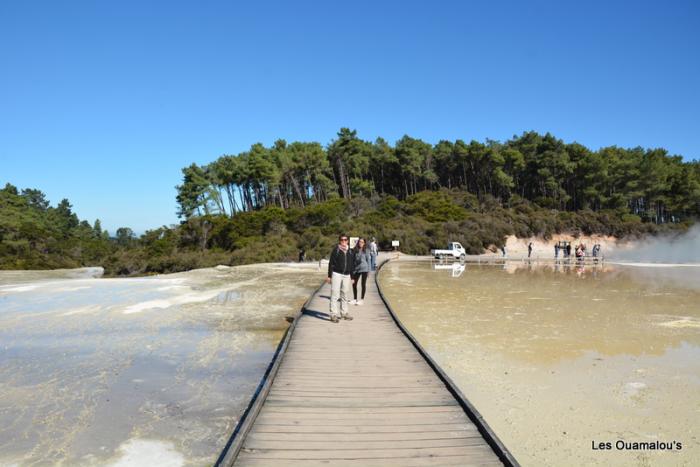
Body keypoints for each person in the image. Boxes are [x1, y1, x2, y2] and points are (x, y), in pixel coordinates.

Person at [326, 234, 355, 323]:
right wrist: (329, 276)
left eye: (345, 240)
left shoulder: (350, 251)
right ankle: (333, 314)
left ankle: (344, 313)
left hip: (347, 275)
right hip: (336, 274)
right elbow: (331, 264)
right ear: (339, 241)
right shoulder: (336, 250)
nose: (343, 241)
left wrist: (352, 277)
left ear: (347, 241)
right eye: (342, 240)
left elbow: (352, 264)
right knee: (335, 294)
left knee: (345, 294)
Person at [352, 238, 371, 305]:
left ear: (364, 243)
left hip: (364, 269)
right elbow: (353, 260)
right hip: (356, 269)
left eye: (362, 242)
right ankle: (355, 299)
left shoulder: (366, 250)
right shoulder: (355, 249)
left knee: (363, 284)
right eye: (360, 242)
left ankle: (362, 300)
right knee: (354, 284)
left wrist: (369, 271)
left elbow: (368, 261)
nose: (361, 243)